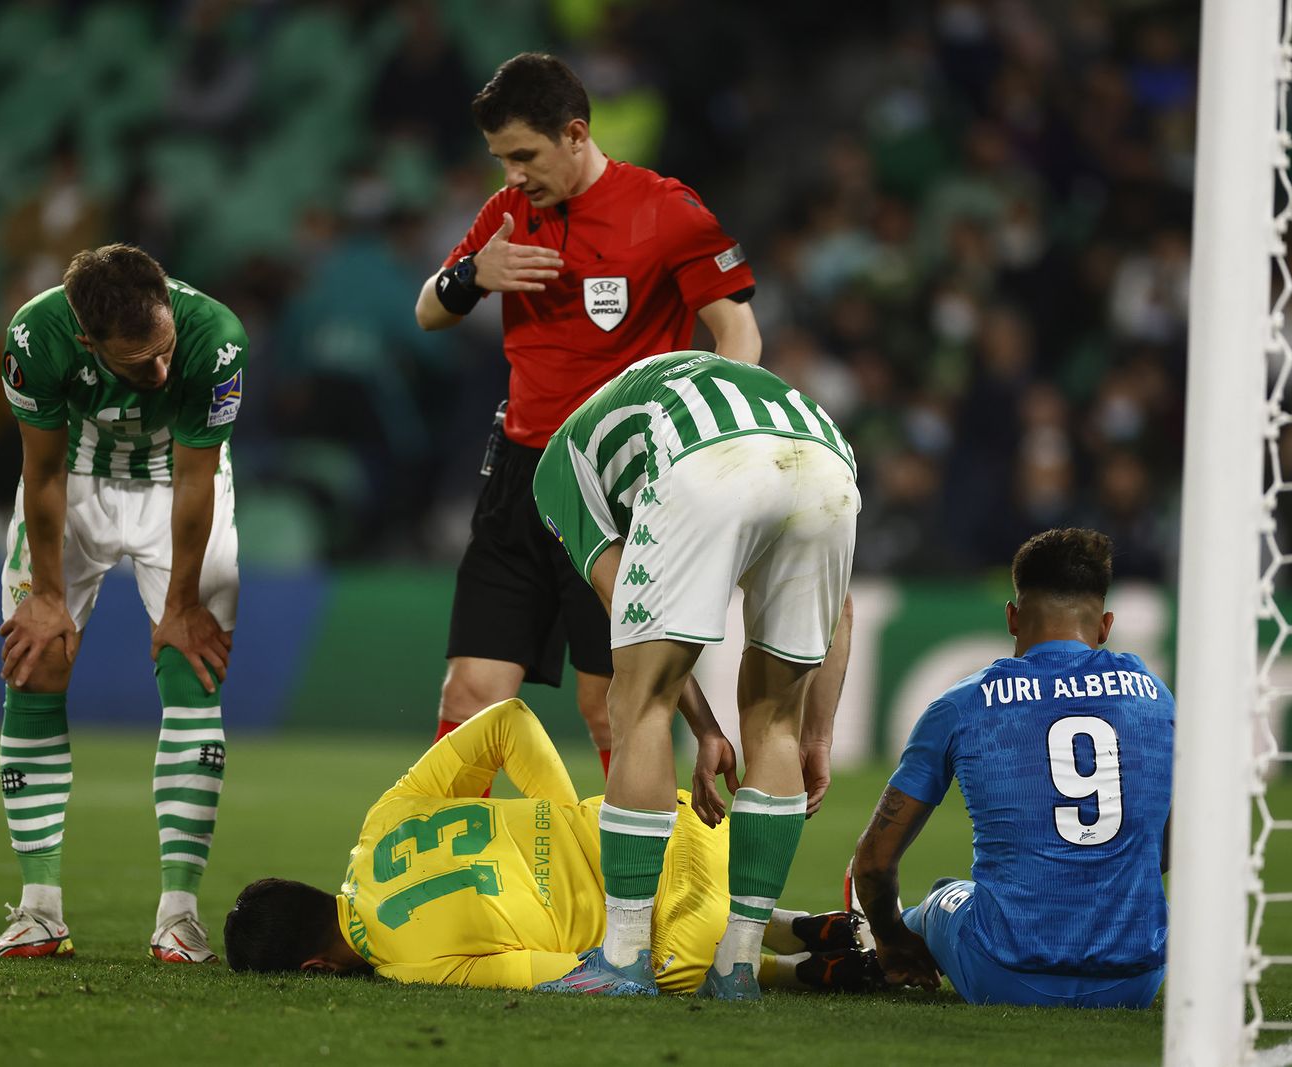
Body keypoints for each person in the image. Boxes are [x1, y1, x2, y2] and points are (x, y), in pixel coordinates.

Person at [414, 52, 761, 772]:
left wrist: (713, 444)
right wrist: (472, 276)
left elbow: (737, 331)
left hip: (619, 484)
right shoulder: (507, 214)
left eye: (523, 155)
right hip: (519, 472)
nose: (511, 174)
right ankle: (439, 872)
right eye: (501, 158)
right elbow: (429, 310)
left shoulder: (665, 211)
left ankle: (652, 881)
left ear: (575, 134)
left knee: (613, 704)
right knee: (472, 689)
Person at [530, 351, 859, 1000]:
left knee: (637, 698)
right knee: (777, 722)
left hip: (708, 463)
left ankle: (623, 959)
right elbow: (841, 608)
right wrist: (817, 737)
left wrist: (704, 727)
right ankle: (737, 963)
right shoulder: (692, 384)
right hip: (827, 460)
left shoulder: (555, 468)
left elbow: (627, 599)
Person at [0, 244, 247, 964]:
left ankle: (179, 916)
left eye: (164, 353)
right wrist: (45, 598)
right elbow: (40, 472)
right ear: (88, 342)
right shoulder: (35, 339)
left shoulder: (214, 337)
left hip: (176, 491)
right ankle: (39, 912)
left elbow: (197, 478)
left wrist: (182, 604)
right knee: (35, 661)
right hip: (76, 487)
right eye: (138, 363)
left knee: (195, 672)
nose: (160, 372)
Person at [223, 698, 874, 993]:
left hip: (680, 914)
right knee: (674, 931)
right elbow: (507, 720)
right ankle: (798, 927)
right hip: (671, 817)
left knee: (669, 967)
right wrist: (563, 820)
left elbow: (580, 977)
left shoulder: (412, 964)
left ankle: (795, 968)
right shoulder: (382, 821)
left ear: (315, 968)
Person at [851, 528, 1174, 1008]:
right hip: (1135, 980)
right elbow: (1169, 851)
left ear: (1012, 617)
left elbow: (874, 863)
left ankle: (876, 949)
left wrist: (892, 933)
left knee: (946, 896)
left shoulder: (963, 704)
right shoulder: (1155, 698)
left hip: (1005, 974)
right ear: (1105, 626)